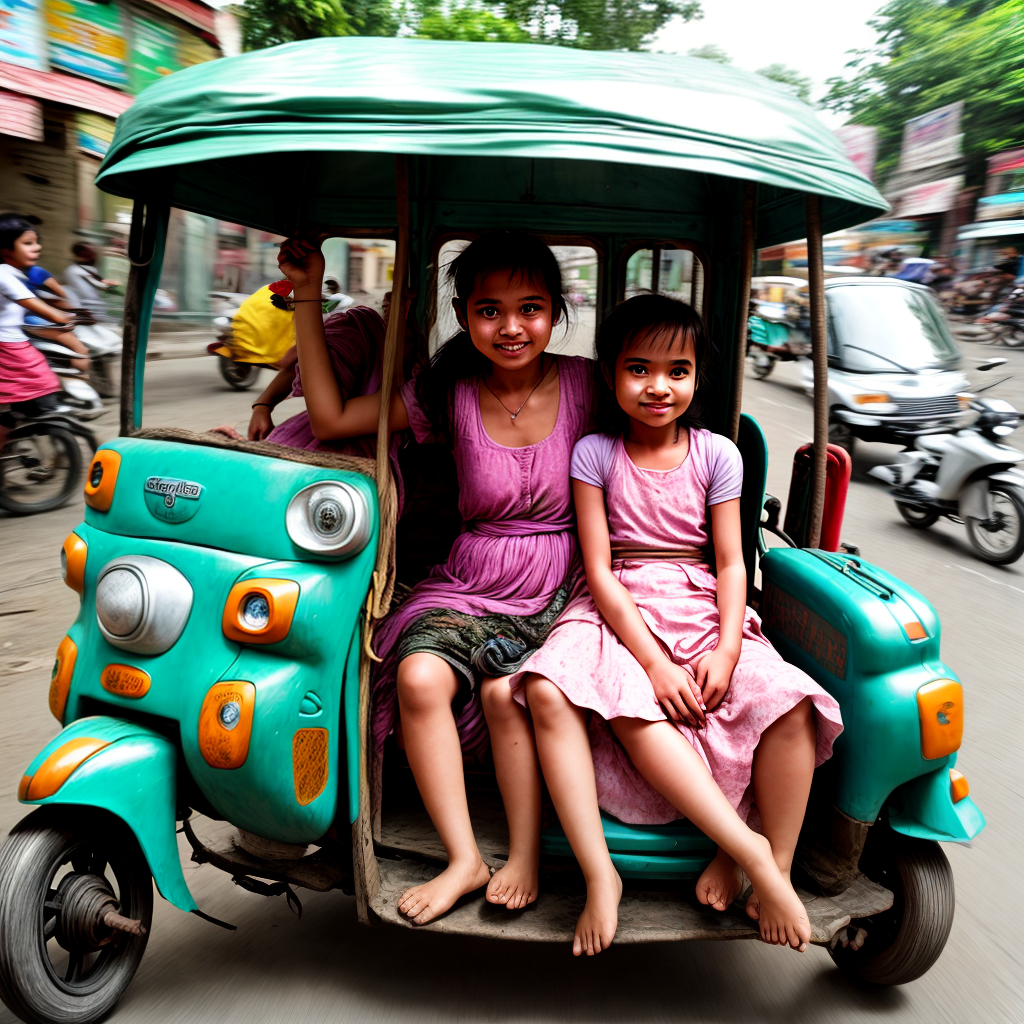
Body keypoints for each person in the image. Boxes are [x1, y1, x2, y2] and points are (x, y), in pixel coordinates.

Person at [509, 295, 844, 956]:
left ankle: (768, 862)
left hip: (700, 599)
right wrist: (656, 664)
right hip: (616, 603)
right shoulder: (595, 453)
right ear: (611, 375)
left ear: (696, 377)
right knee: (559, 687)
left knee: (791, 701)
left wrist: (727, 649)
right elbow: (599, 571)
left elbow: (730, 562)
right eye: (639, 369)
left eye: (677, 371)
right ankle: (631, 867)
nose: (658, 387)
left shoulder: (718, 454)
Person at [276, 229, 593, 926]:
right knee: (417, 675)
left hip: (570, 582)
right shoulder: (446, 392)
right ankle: (463, 858)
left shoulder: (587, 384)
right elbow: (329, 419)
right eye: (489, 311)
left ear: (556, 310)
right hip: (474, 579)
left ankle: (526, 855)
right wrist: (308, 292)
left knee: (516, 689)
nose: (511, 328)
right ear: (462, 314)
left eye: (530, 308)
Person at [0, 214, 74, 446]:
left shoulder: (19, 274)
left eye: (36, 242)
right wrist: (64, 317)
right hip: (8, 345)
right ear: (6, 249)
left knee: (10, 410)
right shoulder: (4, 275)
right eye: (28, 243)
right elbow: (40, 307)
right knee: (41, 379)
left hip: (13, 339)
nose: (37, 247)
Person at [63, 243, 118, 315]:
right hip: (86, 310)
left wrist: (104, 282)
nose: (94, 255)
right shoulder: (76, 270)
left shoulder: (81, 269)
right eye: (90, 252)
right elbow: (100, 286)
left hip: (88, 308)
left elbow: (96, 282)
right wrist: (110, 284)